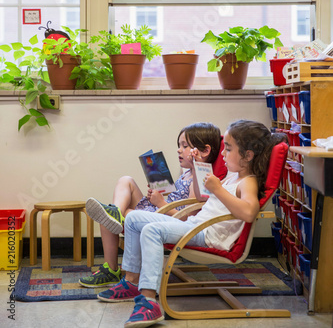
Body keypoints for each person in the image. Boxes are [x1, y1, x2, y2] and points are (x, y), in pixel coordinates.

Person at [93, 120, 286, 328]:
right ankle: (131, 282)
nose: (223, 154)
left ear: (248, 156)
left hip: (209, 235)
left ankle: (149, 301)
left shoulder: (248, 181)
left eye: (228, 149)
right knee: (131, 219)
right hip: (197, 224)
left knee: (151, 230)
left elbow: (249, 213)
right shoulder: (233, 175)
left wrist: (218, 189)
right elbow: (203, 199)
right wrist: (201, 172)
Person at [79, 122, 222, 288]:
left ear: (204, 150)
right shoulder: (186, 174)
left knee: (107, 219)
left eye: (185, 146)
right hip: (161, 209)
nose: (179, 150)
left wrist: (161, 203)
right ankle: (115, 212)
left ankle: (111, 269)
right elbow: (177, 200)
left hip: (167, 217)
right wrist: (159, 196)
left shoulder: (202, 179)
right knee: (126, 181)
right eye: (179, 145)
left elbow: (188, 219)